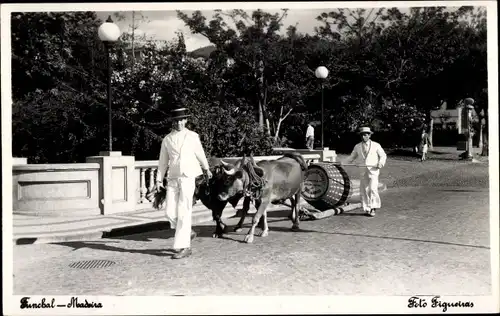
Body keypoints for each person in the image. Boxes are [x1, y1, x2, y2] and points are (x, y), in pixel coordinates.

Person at [156, 107, 212, 259]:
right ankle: (188, 233)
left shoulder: (192, 136)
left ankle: (185, 246)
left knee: (184, 210)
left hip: (188, 177)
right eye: (176, 120)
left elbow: (199, 153)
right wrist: (158, 179)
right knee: (169, 212)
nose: (179, 123)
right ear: (173, 122)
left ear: (186, 120)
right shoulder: (167, 139)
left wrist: (206, 168)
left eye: (181, 120)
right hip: (173, 177)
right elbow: (162, 162)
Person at [342, 127, 387, 217]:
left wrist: (380, 163)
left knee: (373, 189)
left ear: (370, 135)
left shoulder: (376, 145)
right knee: (364, 190)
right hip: (363, 171)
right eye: (362, 135)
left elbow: (383, 155)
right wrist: (342, 163)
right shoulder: (357, 146)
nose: (364, 136)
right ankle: (367, 208)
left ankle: (373, 207)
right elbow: (351, 157)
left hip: (373, 170)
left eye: (366, 134)